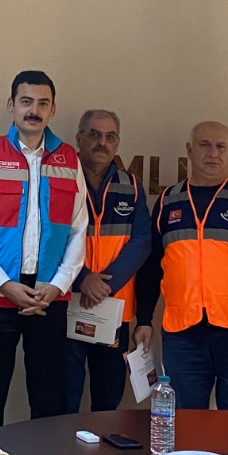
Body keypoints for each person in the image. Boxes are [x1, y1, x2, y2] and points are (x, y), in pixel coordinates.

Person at [0, 71, 88, 434]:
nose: (34, 110)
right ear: (11, 105)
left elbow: (79, 229)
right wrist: (4, 285)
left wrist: (58, 285)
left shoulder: (69, 159)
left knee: (48, 403)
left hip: (49, 300)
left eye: (43, 103)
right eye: (26, 101)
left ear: (53, 109)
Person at [135, 121, 228, 411]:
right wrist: (144, 319)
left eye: (220, 146)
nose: (213, 153)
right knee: (186, 423)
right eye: (204, 145)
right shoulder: (168, 201)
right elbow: (151, 268)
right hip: (182, 335)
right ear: (189, 150)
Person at [64, 109, 150, 413]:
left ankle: (102, 448)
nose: (102, 142)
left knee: (107, 400)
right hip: (67, 303)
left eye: (110, 136)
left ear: (117, 143)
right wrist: (82, 279)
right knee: (64, 397)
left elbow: (142, 241)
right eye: (94, 134)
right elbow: (49, 238)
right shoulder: (62, 180)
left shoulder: (132, 186)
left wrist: (104, 286)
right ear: (79, 139)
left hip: (113, 310)